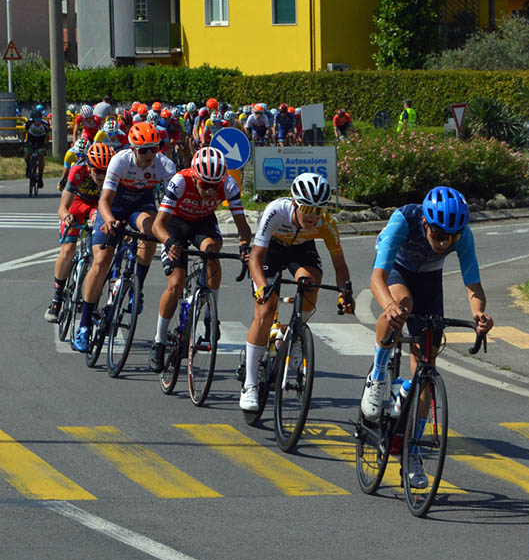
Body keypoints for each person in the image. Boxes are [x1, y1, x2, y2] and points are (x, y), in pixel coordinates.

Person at [360, 186, 493, 484]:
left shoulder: (462, 235)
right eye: (439, 235)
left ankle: (412, 452)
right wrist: (390, 306)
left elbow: (473, 284)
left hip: (429, 279)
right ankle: (378, 375)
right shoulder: (404, 220)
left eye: (452, 237)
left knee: (426, 373)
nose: (444, 243)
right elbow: (377, 278)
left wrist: (479, 313)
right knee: (402, 306)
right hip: (397, 270)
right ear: (425, 223)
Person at [239, 173, 355, 412]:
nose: (313, 215)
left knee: (311, 282)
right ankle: (250, 384)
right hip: (271, 250)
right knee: (266, 309)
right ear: (294, 203)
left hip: (301, 249)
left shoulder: (325, 223)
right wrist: (261, 286)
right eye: (307, 208)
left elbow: (340, 266)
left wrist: (344, 294)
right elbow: (256, 258)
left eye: (318, 210)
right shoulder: (276, 211)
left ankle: (295, 334)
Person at [72, 122, 177, 353]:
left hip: (141, 206)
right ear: (132, 149)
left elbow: (171, 205)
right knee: (101, 262)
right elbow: (104, 200)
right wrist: (109, 220)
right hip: (115, 206)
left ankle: (137, 286)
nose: (149, 154)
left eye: (154, 148)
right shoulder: (120, 161)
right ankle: (84, 325)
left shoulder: (165, 165)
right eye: (143, 150)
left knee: (150, 231)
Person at [148, 147, 253, 372]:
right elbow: (157, 225)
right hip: (175, 223)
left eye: (215, 186)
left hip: (203, 223)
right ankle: (159, 341)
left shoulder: (228, 185)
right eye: (205, 185)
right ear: (195, 178)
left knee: (212, 252)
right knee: (176, 283)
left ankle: (210, 315)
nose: (210, 191)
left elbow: (243, 226)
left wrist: (245, 246)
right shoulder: (180, 181)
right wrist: (168, 243)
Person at [45, 143, 114, 323]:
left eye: (105, 171)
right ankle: (57, 297)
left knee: (99, 257)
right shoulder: (78, 170)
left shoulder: (114, 174)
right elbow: (62, 208)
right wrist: (67, 217)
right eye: (97, 171)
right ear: (89, 167)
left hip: (96, 206)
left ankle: (91, 302)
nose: (102, 176)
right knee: (68, 248)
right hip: (76, 203)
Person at [22, 105, 51, 186]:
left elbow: (47, 136)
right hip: (31, 139)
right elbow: (24, 133)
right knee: (27, 155)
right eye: (35, 120)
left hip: (41, 140)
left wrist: (45, 145)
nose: (37, 122)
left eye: (39, 119)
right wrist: (22, 143)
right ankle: (29, 166)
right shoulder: (29, 123)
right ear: (33, 119)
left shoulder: (45, 124)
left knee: (41, 155)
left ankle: (40, 176)